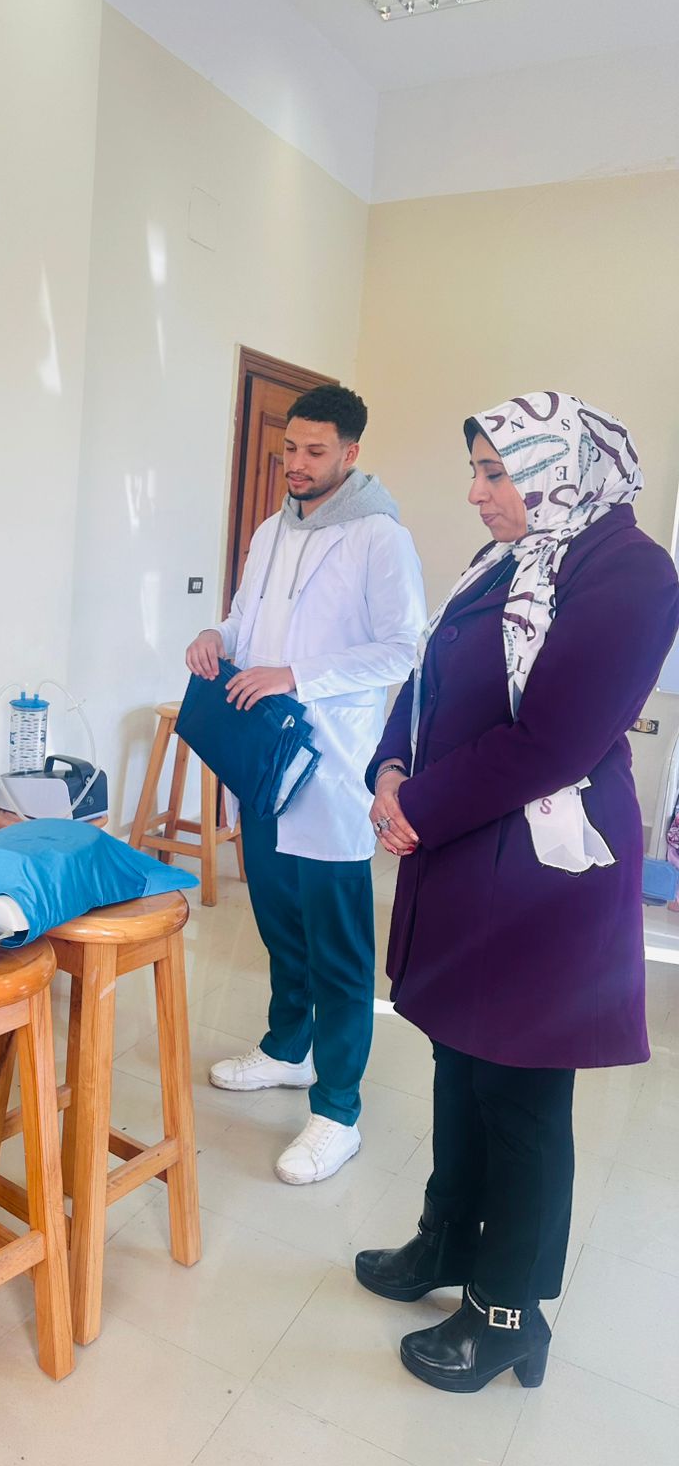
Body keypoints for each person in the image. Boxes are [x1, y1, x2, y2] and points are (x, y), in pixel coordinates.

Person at [355, 394, 679, 1393]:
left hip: (545, 875)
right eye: (477, 470)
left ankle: (506, 1312)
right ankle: (447, 1239)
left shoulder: (629, 572)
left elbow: (556, 739)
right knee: (461, 1061)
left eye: (497, 472)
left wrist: (419, 805)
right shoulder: (508, 560)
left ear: (558, 470)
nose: (477, 492)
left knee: (522, 1091)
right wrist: (390, 767)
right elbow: (429, 675)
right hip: (466, 847)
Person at [187, 386, 425, 1183]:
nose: (296, 463)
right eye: (290, 448)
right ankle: (288, 1048)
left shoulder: (379, 537)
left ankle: (338, 1110)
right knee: (279, 921)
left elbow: (403, 649)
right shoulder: (270, 531)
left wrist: (297, 674)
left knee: (339, 947)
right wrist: (216, 636)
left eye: (315, 451)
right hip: (263, 757)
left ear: (350, 454)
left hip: (330, 767)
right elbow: (243, 618)